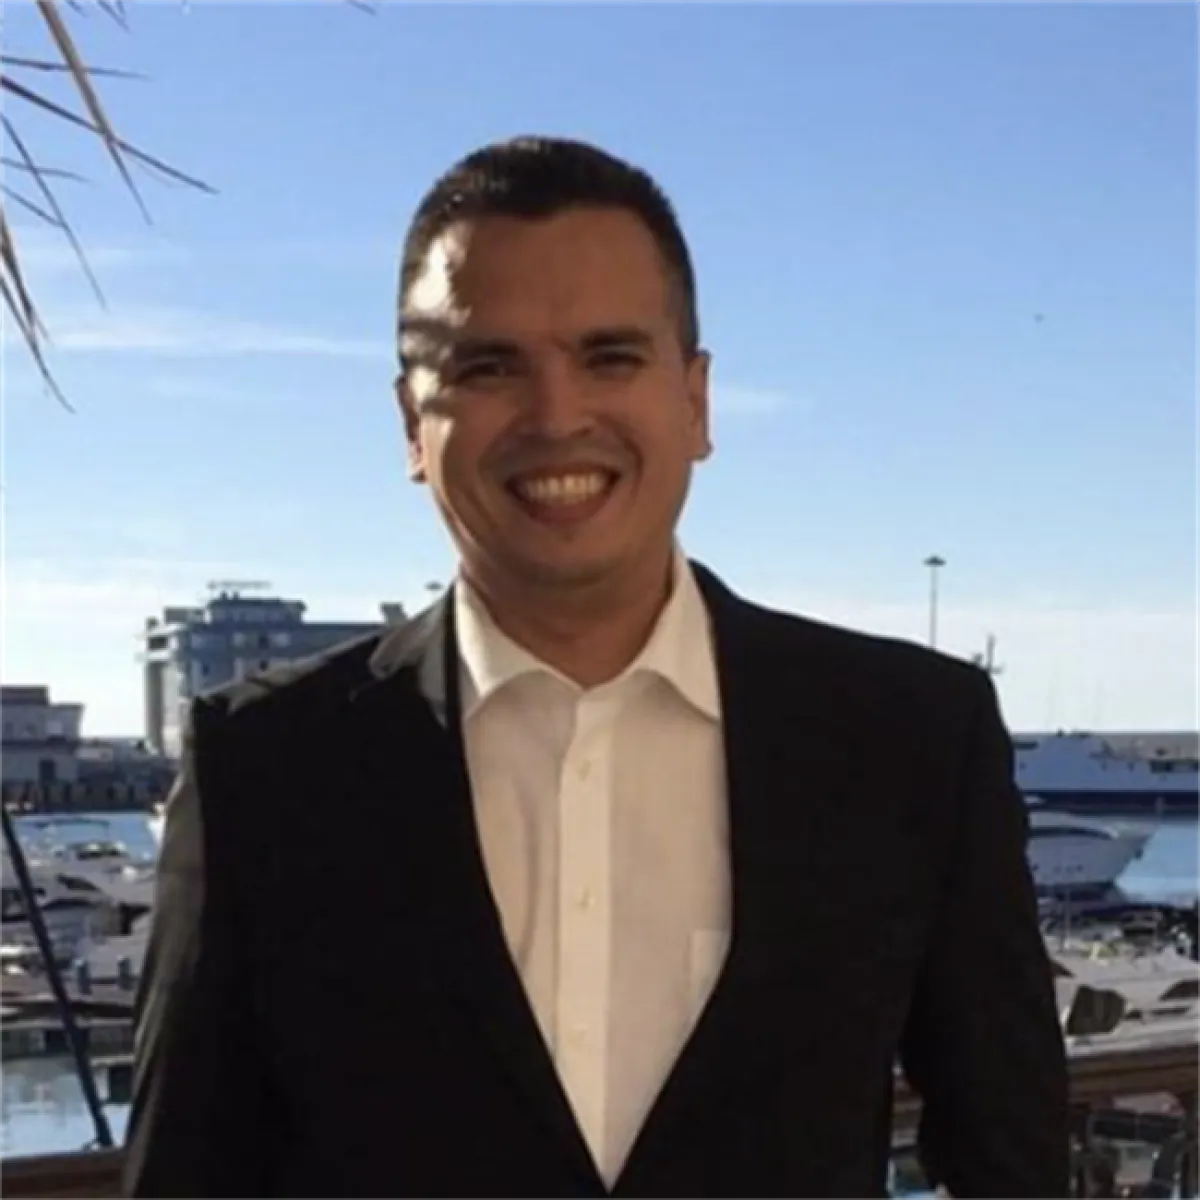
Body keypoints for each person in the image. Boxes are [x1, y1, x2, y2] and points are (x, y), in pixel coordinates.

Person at [123, 135, 1069, 1199]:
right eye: (487, 367)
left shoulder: (912, 738)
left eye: (610, 357)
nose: (556, 416)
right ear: (412, 424)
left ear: (696, 402)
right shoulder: (264, 766)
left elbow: (1013, 1158)